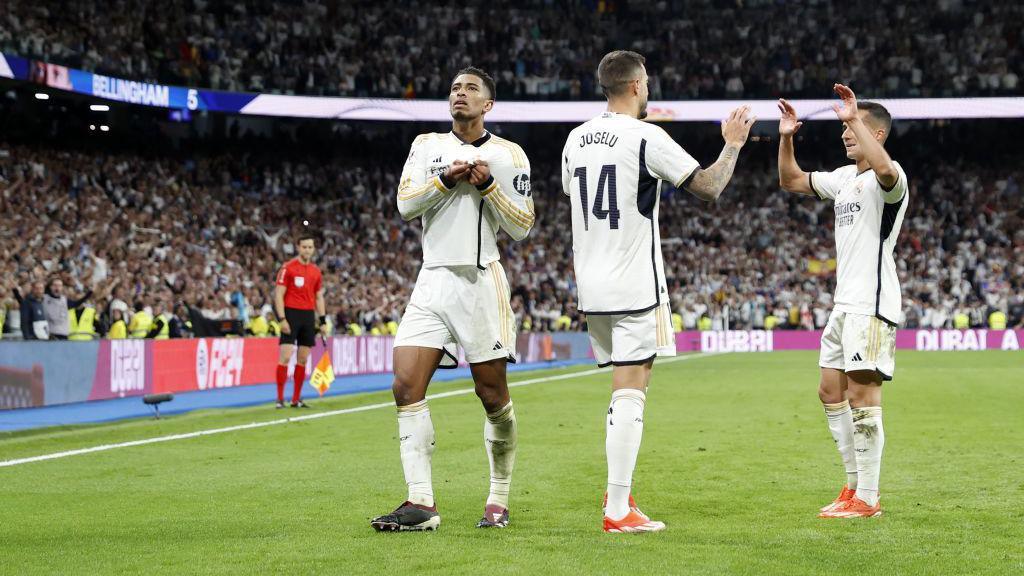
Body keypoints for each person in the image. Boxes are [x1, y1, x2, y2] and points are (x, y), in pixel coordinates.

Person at [560, 50, 753, 533]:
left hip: (592, 284)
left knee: (622, 388)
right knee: (632, 390)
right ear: (636, 86)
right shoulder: (646, 135)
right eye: (646, 83)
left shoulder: (575, 138)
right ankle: (619, 508)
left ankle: (618, 491)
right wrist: (732, 145)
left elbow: (574, 194)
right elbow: (708, 187)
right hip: (634, 282)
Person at [371, 67, 534, 532]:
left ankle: (498, 497)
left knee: (492, 395)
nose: (460, 94)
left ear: (489, 105)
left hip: (482, 281)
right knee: (405, 385)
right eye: (455, 88)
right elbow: (405, 205)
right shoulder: (426, 147)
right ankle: (420, 502)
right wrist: (446, 180)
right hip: (432, 280)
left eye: (471, 90)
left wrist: (486, 186)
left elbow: (523, 225)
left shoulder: (508, 154)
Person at [777, 85, 910, 518]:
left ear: (879, 133)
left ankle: (869, 498)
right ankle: (852, 487)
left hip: (871, 303)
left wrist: (853, 117)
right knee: (830, 391)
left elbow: (886, 168)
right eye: (845, 128)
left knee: (862, 396)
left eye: (856, 128)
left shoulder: (890, 178)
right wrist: (786, 137)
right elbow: (791, 179)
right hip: (843, 305)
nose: (846, 135)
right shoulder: (843, 178)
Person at [274, 234, 328, 409]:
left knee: (303, 359)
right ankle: (280, 399)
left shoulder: (316, 271)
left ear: (313, 249)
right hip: (290, 315)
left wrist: (323, 320)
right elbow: (278, 295)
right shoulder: (287, 268)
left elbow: (319, 297)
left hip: (308, 316)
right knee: (286, 356)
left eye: (310, 247)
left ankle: (295, 399)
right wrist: (281, 318)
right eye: (304, 247)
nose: (307, 250)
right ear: (298, 247)